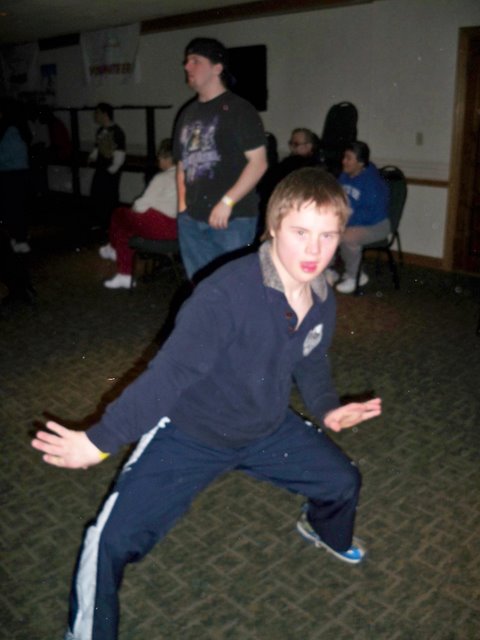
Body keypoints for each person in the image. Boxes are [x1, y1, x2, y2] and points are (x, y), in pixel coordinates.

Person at [31, 167, 382, 640]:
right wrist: (99, 441)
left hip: (264, 427)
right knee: (109, 541)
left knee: (343, 482)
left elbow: (311, 358)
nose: (314, 251)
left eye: (327, 236)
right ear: (273, 227)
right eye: (301, 233)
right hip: (192, 433)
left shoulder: (321, 295)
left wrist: (326, 408)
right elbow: (170, 375)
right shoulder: (225, 294)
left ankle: (324, 530)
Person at [174, 37, 267, 281]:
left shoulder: (240, 109)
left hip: (232, 219)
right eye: (187, 61)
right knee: (201, 287)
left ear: (217, 68)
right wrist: (183, 210)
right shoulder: (186, 113)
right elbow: (182, 166)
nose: (187, 66)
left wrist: (227, 202)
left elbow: (258, 163)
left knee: (231, 287)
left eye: (195, 61)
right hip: (192, 219)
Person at [99, 138, 178, 290]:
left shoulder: (162, 178)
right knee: (125, 228)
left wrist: (133, 208)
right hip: (176, 229)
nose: (158, 160)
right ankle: (119, 263)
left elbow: (141, 205)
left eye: (160, 157)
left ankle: (116, 254)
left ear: (167, 158)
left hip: (159, 226)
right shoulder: (185, 176)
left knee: (119, 213)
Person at [330, 141, 390, 294]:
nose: (344, 161)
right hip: (352, 221)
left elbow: (370, 213)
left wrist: (344, 222)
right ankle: (328, 270)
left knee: (347, 237)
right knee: (325, 231)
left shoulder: (373, 182)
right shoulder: (344, 176)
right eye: (344, 157)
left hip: (376, 225)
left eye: (348, 158)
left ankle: (355, 276)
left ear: (361, 163)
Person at [258, 127, 323, 215]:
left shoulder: (311, 168)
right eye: (291, 143)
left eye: (296, 144)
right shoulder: (288, 162)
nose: (292, 148)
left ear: (309, 146)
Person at [88, 102, 126, 234]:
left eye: (97, 113)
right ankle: (100, 222)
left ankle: (111, 225)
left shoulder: (117, 132)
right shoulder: (100, 131)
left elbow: (120, 153)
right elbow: (97, 147)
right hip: (101, 167)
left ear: (105, 114)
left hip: (111, 170)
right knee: (97, 195)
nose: (95, 116)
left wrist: (112, 170)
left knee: (110, 197)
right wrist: (92, 156)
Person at [0, 98, 31, 253]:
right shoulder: (18, 128)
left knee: (14, 209)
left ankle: (20, 239)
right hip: (17, 173)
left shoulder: (10, 131)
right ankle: (18, 237)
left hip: (12, 174)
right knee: (16, 208)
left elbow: (7, 155)